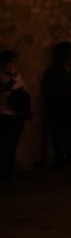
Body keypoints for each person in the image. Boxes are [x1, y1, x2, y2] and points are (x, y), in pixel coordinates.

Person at [40, 41, 71, 170]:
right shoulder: (54, 70)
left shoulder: (68, 69)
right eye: (70, 52)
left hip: (65, 108)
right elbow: (46, 87)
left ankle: (63, 160)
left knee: (64, 135)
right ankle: (59, 161)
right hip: (57, 108)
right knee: (58, 136)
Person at [1, 51, 30, 180]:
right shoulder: (8, 76)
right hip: (6, 116)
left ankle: (8, 174)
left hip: (13, 116)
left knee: (10, 147)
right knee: (8, 148)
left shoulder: (15, 75)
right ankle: (7, 174)